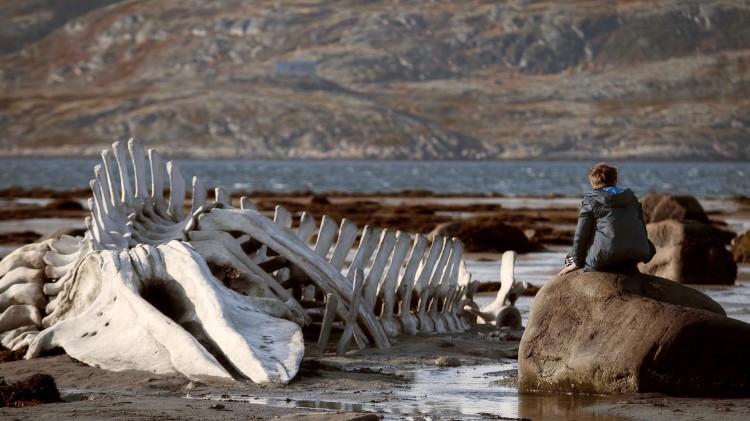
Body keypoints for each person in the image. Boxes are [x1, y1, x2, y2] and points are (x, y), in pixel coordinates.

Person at [558, 162, 655, 276]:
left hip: (605, 260)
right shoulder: (632, 199)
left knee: (570, 257)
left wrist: (578, 263)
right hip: (635, 256)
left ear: (593, 183)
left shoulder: (591, 201)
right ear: (615, 181)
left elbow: (581, 235)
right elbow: (643, 230)